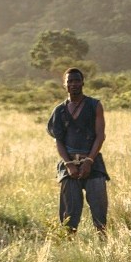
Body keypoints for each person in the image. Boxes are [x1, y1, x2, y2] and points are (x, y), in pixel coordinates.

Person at [47, 67, 109, 235]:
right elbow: (58, 140)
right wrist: (68, 164)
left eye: (77, 80)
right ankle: (68, 244)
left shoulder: (94, 105)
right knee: (69, 215)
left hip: (93, 163)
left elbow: (100, 136)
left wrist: (89, 161)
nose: (73, 84)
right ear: (64, 84)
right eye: (70, 81)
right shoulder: (59, 110)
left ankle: (102, 243)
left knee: (99, 210)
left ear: (83, 83)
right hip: (69, 165)